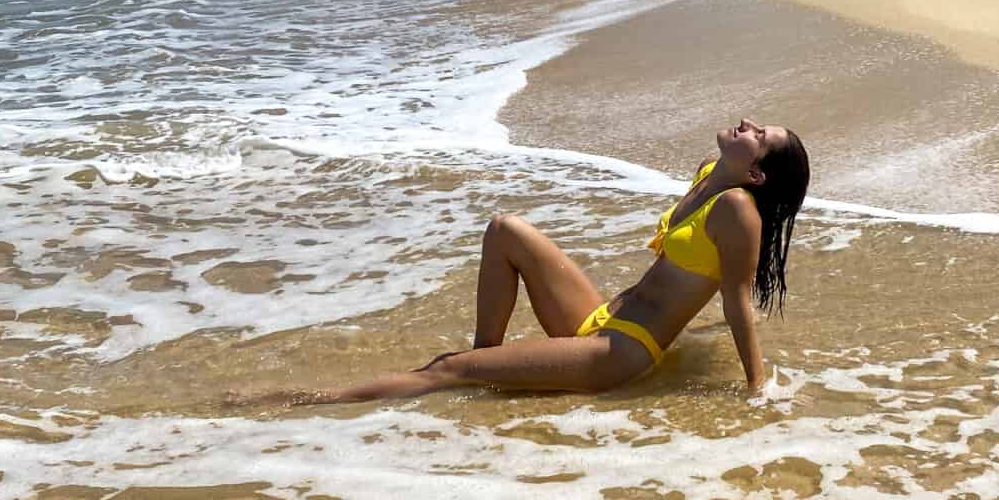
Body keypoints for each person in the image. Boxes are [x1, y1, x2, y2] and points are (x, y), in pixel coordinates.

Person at [304, 118, 810, 403]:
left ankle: (313, 401)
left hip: (623, 352)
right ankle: (486, 369)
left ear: (758, 175)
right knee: (505, 230)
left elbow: (737, 300)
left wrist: (756, 390)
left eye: (760, 136)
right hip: (600, 319)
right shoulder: (709, 175)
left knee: (445, 368)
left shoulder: (737, 210)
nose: (748, 124)